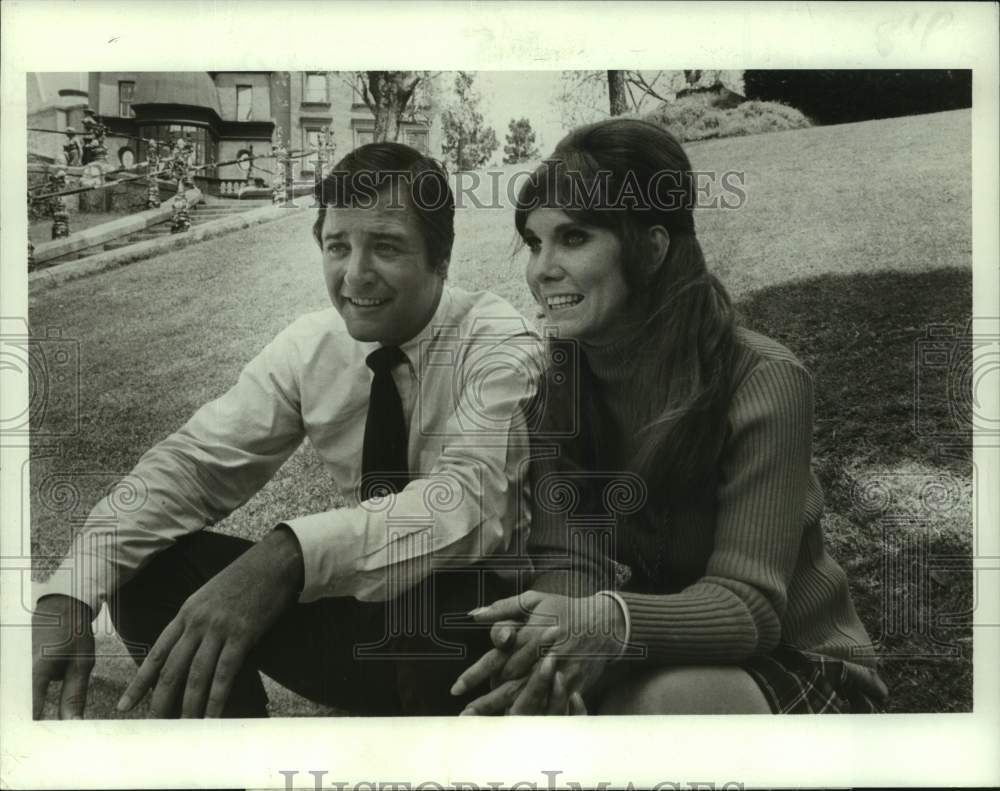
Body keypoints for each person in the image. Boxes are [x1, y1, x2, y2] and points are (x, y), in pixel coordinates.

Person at [31, 142, 541, 719]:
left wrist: (288, 556)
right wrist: (70, 588)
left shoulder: (497, 339)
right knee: (145, 564)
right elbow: (195, 465)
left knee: (440, 591)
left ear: (441, 259)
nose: (354, 274)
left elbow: (474, 506)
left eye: (386, 247)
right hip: (362, 630)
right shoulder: (312, 345)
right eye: (337, 246)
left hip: (481, 635)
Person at [451, 118, 890, 715]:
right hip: (658, 650)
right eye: (534, 242)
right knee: (542, 707)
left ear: (652, 247)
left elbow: (749, 608)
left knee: (654, 708)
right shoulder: (553, 382)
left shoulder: (763, 380)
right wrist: (549, 652)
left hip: (794, 658)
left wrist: (609, 622)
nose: (541, 269)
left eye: (574, 238)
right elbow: (567, 559)